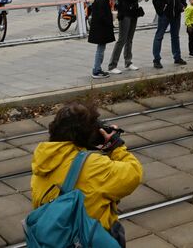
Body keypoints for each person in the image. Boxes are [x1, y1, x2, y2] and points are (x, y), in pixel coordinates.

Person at [30, 101, 142, 247]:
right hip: (89, 239)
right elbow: (134, 173)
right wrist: (115, 146)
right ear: (87, 136)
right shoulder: (93, 165)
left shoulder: (42, 162)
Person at [105, 0, 143, 74]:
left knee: (130, 39)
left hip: (133, 13)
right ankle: (112, 65)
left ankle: (128, 62)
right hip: (125, 14)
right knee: (122, 39)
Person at [151, 0, 187, 68]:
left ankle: (177, 57)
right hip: (165, 14)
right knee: (159, 36)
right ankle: (156, 59)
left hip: (176, 13)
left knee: (175, 36)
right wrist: (161, 11)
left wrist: (183, 5)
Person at [87, 0, 115, 78]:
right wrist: (110, 21)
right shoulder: (101, 0)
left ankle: (97, 68)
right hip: (101, 30)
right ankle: (96, 70)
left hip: (100, 29)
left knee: (101, 49)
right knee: (100, 50)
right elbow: (102, 17)